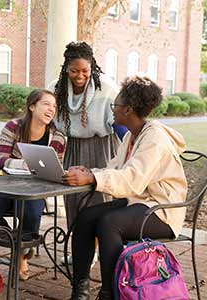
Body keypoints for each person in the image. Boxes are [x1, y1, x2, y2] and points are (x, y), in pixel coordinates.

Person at [63, 76, 187, 300]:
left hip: (163, 209)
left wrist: (92, 177)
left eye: (115, 105)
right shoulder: (132, 135)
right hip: (140, 201)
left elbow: (133, 179)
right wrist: (89, 172)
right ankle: (79, 289)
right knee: (87, 216)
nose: (113, 110)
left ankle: (110, 293)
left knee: (110, 223)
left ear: (128, 109)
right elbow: (116, 169)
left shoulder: (154, 139)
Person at [0, 89, 66, 280]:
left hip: (34, 188)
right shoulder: (13, 127)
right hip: (5, 184)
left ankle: (22, 255)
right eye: (46, 104)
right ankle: (18, 244)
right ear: (32, 106)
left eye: (54, 106)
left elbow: (56, 169)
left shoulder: (57, 137)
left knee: (31, 212)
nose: (51, 109)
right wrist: (21, 164)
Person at [49, 41, 127, 231]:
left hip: (103, 147)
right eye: (74, 70)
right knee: (73, 198)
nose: (80, 76)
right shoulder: (56, 89)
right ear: (66, 68)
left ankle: (102, 244)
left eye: (85, 70)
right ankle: (80, 248)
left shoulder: (107, 88)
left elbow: (121, 124)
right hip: (73, 147)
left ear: (92, 67)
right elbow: (49, 121)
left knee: (100, 198)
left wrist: (129, 152)